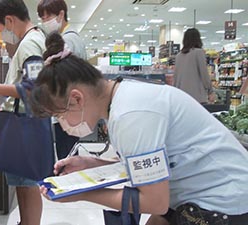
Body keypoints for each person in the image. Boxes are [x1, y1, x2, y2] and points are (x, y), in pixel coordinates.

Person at [30, 32, 248, 225]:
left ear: (77, 99)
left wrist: (81, 193)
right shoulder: (123, 98)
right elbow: (147, 166)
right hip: (196, 194)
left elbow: (155, 202)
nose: (63, 123)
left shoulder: (130, 116)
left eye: (60, 115)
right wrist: (93, 164)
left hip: (223, 203)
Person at [0, 1, 46, 225]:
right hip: (23, 121)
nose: (2, 35)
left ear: (9, 20)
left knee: (28, 184)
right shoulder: (32, 40)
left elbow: (34, 87)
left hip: (25, 123)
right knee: (23, 184)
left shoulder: (30, 44)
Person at [37, 0, 87, 160]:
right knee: (71, 153)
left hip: (67, 109)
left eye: (48, 16)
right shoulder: (73, 38)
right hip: (74, 108)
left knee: (67, 158)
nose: (45, 21)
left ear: (61, 14)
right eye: (42, 18)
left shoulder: (66, 41)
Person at [174, 28, 215, 104]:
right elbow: (204, 74)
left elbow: (176, 78)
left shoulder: (178, 56)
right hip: (197, 97)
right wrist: (210, 91)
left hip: (181, 97)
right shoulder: (199, 52)